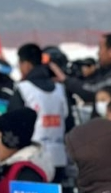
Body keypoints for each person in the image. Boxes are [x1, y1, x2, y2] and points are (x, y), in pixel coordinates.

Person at [11, 43, 69, 182]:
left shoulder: (23, 89)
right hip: (59, 159)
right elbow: (69, 122)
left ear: (26, 64)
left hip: (31, 162)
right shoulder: (60, 89)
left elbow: (13, 124)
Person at [62, 33, 111, 110]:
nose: (98, 53)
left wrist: (65, 79)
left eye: (100, 48)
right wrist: (90, 75)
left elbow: (93, 90)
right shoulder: (108, 71)